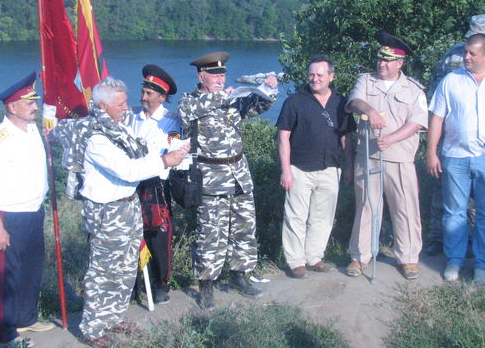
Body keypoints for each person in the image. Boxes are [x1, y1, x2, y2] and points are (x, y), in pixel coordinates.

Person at [59, 78, 187, 348]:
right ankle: (92, 327)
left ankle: (113, 317)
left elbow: (141, 154)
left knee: (127, 267)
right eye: (120, 103)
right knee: (103, 271)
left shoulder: (118, 129)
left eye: (126, 101)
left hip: (128, 205)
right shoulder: (96, 136)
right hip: (107, 211)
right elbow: (128, 170)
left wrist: (172, 153)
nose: (126, 107)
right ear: (103, 106)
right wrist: (165, 161)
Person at [178, 51, 278, 309]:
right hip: (211, 178)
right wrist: (222, 96)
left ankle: (239, 276)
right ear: (201, 76)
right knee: (211, 233)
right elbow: (187, 114)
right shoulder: (189, 101)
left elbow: (258, 106)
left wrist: (269, 90)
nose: (220, 79)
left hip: (239, 174)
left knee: (244, 228)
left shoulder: (232, 101)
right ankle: (207, 285)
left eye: (222, 75)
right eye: (214, 75)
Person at [427, 33, 485, 285]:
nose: (466, 57)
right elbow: (437, 117)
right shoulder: (451, 80)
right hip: (455, 157)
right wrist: (431, 152)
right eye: (465, 52)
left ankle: (482, 264)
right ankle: (454, 260)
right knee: (454, 213)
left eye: (472, 54)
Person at [345, 33, 428, 280]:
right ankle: (359, 257)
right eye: (380, 59)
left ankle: (408, 258)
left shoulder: (413, 90)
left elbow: (417, 122)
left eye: (388, 61)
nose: (382, 64)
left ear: (400, 63)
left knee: (405, 208)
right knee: (366, 207)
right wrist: (369, 110)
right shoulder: (365, 81)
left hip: (400, 157)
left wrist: (391, 138)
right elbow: (354, 101)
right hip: (368, 155)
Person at [0, 72, 53, 348]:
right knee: (7, 275)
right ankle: (5, 329)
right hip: (9, 215)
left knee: (31, 268)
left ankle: (26, 317)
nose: (35, 106)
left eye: (34, 102)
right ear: (12, 107)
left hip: (34, 211)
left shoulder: (32, 129)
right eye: (29, 103)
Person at [276, 55, 354, 279]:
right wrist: (286, 170)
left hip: (330, 167)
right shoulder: (295, 101)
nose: (315, 78)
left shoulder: (341, 102)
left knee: (323, 217)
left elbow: (347, 139)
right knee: (295, 217)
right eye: (311, 74)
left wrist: (348, 167)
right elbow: (283, 137)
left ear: (331, 76)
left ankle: (314, 257)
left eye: (320, 74)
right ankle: (296, 262)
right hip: (299, 168)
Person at [129, 64, 181, 304]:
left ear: (162, 96)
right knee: (132, 235)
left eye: (150, 94)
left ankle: (161, 284)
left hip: (156, 185)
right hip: (132, 182)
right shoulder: (131, 118)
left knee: (158, 235)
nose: (143, 97)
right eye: (143, 92)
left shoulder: (171, 122)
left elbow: (174, 150)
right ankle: (134, 284)